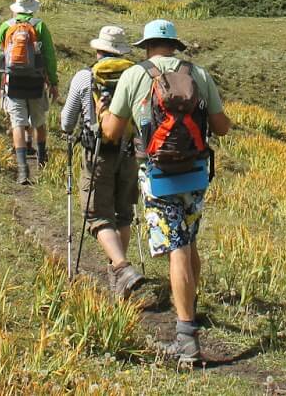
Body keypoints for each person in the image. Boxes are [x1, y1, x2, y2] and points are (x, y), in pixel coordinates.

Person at [101, 19, 232, 367]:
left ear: (146, 46)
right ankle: (189, 311)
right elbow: (222, 126)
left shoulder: (134, 75)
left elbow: (112, 132)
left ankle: (186, 338)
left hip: (157, 174)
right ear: (175, 45)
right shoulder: (198, 73)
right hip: (196, 172)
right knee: (188, 241)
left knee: (176, 247)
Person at [59, 24, 146, 298]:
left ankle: (121, 268)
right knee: (123, 213)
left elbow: (66, 121)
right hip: (130, 152)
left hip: (98, 152)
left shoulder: (85, 77)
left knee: (96, 214)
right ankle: (118, 275)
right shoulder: (137, 76)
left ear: (98, 50)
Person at [0, 0, 57, 185]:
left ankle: (23, 170)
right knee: (39, 121)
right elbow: (50, 56)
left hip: (13, 81)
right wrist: (53, 82)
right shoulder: (40, 26)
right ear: (33, 9)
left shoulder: (6, 26)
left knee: (17, 123)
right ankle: (42, 159)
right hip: (36, 81)